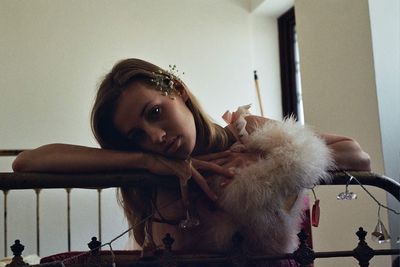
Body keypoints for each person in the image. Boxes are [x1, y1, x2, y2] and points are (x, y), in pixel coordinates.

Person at [12, 59, 371, 264]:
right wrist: (146, 163)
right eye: (136, 134)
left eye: (155, 112)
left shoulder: (246, 134)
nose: (155, 136)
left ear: (179, 93)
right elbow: (26, 163)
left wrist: (265, 155)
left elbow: (358, 156)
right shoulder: (144, 168)